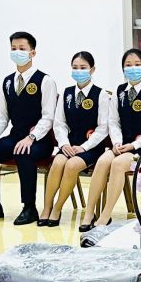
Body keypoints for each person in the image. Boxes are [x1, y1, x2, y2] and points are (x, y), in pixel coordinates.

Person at [0, 31, 58, 226]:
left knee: (23, 152)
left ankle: (29, 207)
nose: (17, 52)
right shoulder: (7, 82)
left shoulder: (45, 81)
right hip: (15, 136)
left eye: (22, 48)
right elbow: (1, 116)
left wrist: (31, 137)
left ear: (32, 53)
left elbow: (48, 117)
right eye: (14, 48)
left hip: (40, 141)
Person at [82, 48, 141, 231]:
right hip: (121, 144)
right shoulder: (119, 91)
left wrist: (133, 145)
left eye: (137, 64)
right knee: (103, 161)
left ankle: (105, 216)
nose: (132, 68)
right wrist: (117, 142)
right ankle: (89, 212)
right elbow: (113, 121)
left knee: (118, 164)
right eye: (128, 65)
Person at [39, 51, 112, 227]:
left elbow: (103, 128)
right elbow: (59, 123)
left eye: (83, 68)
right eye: (75, 68)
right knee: (57, 163)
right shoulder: (66, 93)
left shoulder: (101, 94)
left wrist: (84, 147)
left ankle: (57, 208)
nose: (79, 71)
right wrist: (64, 144)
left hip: (91, 148)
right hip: (69, 145)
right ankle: (46, 208)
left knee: (71, 165)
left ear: (92, 70)